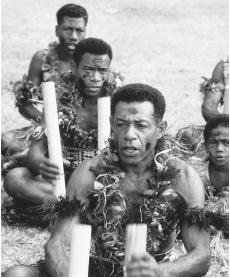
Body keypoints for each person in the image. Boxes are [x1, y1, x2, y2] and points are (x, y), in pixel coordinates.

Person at [3, 83, 216, 277]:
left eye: (141, 125)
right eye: (122, 124)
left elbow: (201, 256)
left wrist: (160, 272)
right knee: (17, 275)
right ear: (111, 123)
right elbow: (57, 244)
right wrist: (71, 274)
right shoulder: (90, 172)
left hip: (152, 271)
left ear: (159, 129)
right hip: (92, 267)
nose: (129, 134)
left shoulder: (183, 178)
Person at [2, 38, 123, 227]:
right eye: (89, 70)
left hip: (99, 185)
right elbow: (35, 153)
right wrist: (43, 165)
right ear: (74, 67)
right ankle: (77, 210)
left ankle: (67, 210)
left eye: (102, 71)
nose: (96, 78)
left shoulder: (118, 103)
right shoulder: (58, 102)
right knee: (15, 179)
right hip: (60, 183)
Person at [1, 3, 88, 172]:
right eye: (68, 29)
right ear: (57, 30)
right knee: (5, 140)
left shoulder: (89, 62)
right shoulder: (42, 58)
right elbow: (24, 104)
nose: (74, 36)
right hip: (45, 125)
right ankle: (35, 158)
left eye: (80, 30)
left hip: (81, 131)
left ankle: (30, 160)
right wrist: (47, 122)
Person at [204, 114, 229, 212]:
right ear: (205, 146)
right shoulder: (196, 173)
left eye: (226, 142)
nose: (219, 149)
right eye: (213, 142)